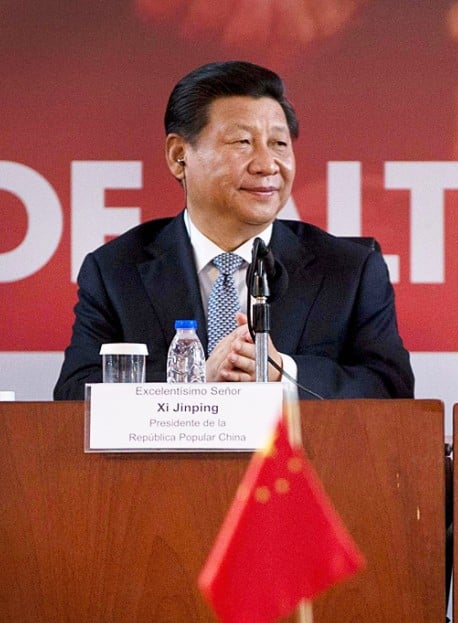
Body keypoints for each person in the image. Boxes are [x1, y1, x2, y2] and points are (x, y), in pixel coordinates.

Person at [54, 61, 414, 400]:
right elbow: (76, 392)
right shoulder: (116, 271)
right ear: (179, 155)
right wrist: (193, 381)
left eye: (279, 144)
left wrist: (281, 372)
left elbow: (391, 390)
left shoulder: (350, 270)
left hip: (300, 466)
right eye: (242, 142)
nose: (267, 164)